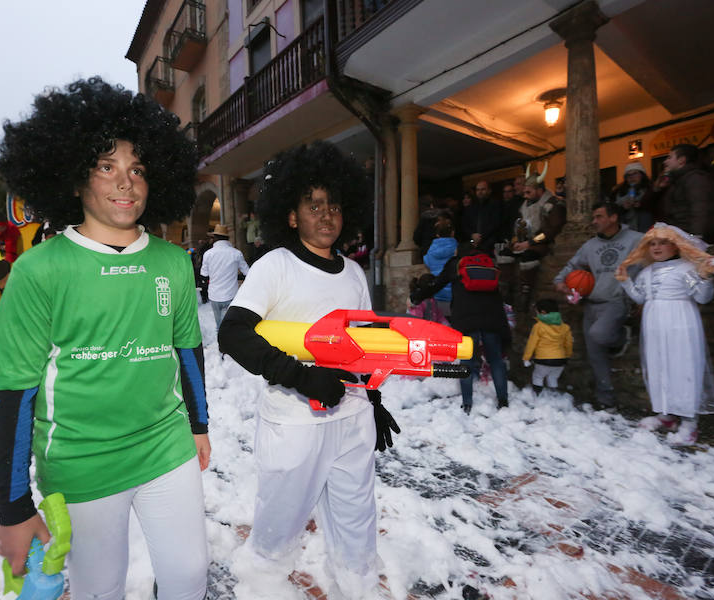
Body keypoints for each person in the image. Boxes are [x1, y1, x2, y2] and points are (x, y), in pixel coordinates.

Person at [0, 77, 209, 600]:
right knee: (99, 589)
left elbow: (187, 351)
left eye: (137, 169)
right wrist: (15, 505)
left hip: (166, 444)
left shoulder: (174, 262)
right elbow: (13, 392)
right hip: (80, 460)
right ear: (75, 180)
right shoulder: (39, 270)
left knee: (189, 575)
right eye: (107, 167)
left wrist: (199, 424)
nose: (125, 183)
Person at [217, 141, 400, 599]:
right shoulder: (275, 266)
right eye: (313, 204)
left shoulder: (355, 274)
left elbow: (360, 343)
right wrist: (302, 376)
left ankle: (360, 589)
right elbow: (233, 334)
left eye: (334, 205)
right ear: (292, 215)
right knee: (281, 522)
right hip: (294, 423)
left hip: (352, 420)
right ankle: (263, 588)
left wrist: (371, 398)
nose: (326, 215)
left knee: (357, 519)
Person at [615, 223, 714, 445]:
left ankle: (689, 423)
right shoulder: (646, 272)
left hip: (680, 321)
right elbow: (640, 298)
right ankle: (665, 415)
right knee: (659, 365)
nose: (656, 247)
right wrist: (625, 281)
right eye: (652, 243)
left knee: (683, 367)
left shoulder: (687, 268)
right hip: (654, 323)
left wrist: (706, 277)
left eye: (663, 242)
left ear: (675, 246)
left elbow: (703, 298)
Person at [554, 202, 642, 410]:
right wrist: (560, 281)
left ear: (613, 218)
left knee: (599, 334)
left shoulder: (637, 240)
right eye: (594, 217)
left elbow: (655, 261)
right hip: (591, 303)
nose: (594, 222)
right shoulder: (590, 246)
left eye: (599, 217)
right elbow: (572, 266)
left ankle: (623, 336)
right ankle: (606, 400)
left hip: (617, 301)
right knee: (595, 356)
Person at [411, 244, 511, 413]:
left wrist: (416, 297)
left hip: (466, 319)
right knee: (495, 361)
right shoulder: (489, 263)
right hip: (491, 318)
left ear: (459, 251)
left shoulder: (456, 264)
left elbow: (436, 284)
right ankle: (503, 401)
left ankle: (467, 403)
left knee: (466, 361)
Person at [509, 171, 567, 312]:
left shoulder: (553, 204)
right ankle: (509, 294)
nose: (525, 194)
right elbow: (520, 226)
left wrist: (530, 243)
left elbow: (551, 230)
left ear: (539, 190)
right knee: (506, 253)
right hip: (528, 241)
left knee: (528, 255)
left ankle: (526, 292)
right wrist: (516, 240)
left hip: (545, 242)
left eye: (529, 191)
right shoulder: (525, 205)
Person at [657, 143, 714, 243]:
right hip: (680, 235)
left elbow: (701, 209)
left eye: (669, 157)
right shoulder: (678, 180)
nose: (665, 162)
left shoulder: (696, 179)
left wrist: (695, 238)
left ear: (682, 160)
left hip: (688, 238)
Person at [200, 223, 249, 329]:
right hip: (231, 294)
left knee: (219, 326)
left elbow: (204, 274)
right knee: (232, 326)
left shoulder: (208, 254)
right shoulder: (236, 253)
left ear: (215, 238)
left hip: (215, 295)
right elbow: (247, 272)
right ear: (227, 238)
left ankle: (220, 344)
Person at [522, 298, 572, 396]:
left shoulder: (539, 326)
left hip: (543, 359)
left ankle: (537, 395)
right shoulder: (565, 327)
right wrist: (567, 356)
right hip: (560, 360)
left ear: (543, 312)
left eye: (537, 312)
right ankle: (553, 396)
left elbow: (531, 343)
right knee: (553, 378)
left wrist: (526, 358)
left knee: (538, 376)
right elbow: (568, 343)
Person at [423, 219, 458, 319]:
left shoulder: (430, 251)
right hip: (454, 294)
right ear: (452, 233)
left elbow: (427, 262)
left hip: (437, 292)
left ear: (437, 235)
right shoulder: (457, 249)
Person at [611, 162, 655, 232]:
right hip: (626, 229)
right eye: (628, 175)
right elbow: (613, 211)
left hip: (646, 228)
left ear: (642, 175)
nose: (631, 177)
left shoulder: (651, 189)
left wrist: (641, 205)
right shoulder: (619, 192)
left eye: (635, 173)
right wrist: (623, 208)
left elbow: (656, 206)